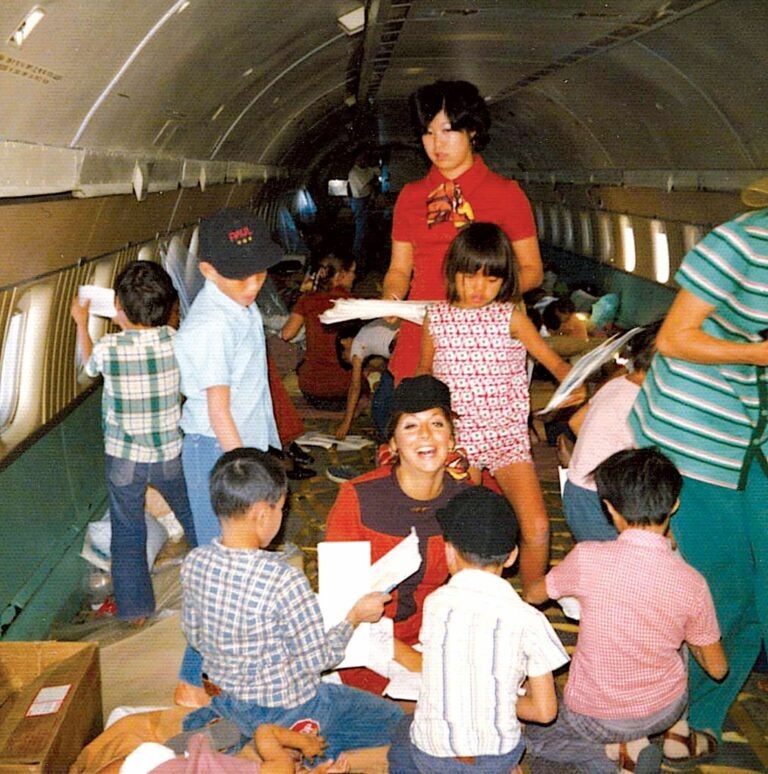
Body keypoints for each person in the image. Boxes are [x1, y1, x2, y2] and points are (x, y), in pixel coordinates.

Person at [630, 208, 768, 753]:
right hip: (695, 434)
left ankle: (694, 712)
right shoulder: (737, 245)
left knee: (756, 591)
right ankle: (673, 719)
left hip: (753, 436)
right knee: (715, 585)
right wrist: (759, 354)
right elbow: (674, 338)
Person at [180, 448, 403, 763]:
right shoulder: (283, 578)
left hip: (230, 697)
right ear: (261, 513)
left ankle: (231, 729)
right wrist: (354, 618)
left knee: (241, 709)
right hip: (288, 705)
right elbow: (320, 659)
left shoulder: (194, 562)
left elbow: (195, 635)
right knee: (392, 719)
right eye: (281, 509)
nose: (282, 517)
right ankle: (299, 745)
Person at [525, 448, 727, 774]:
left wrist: (538, 583)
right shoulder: (693, 582)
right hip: (664, 710)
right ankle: (677, 736)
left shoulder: (587, 557)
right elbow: (717, 669)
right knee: (688, 637)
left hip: (594, 718)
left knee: (535, 738)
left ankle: (616, 753)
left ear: (609, 508)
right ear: (674, 504)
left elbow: (535, 595)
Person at [417, 222, 572, 586]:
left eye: (491, 280)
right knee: (467, 531)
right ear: (452, 272)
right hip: (458, 441)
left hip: (507, 439)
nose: (478, 288)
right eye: (469, 276)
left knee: (537, 527)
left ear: (506, 281)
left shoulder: (512, 318)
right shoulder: (436, 318)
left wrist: (574, 385)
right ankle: (463, 597)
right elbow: (424, 372)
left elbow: (556, 364)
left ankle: (534, 594)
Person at [173, 208, 283, 705]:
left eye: (260, 272)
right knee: (222, 568)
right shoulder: (209, 326)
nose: (252, 284)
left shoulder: (241, 305)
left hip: (241, 445)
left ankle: (230, 663)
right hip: (216, 453)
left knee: (240, 563)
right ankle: (189, 681)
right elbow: (217, 409)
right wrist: (248, 475)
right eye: (240, 276)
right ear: (208, 270)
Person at [388, 487, 568, 774]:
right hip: (498, 756)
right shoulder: (530, 620)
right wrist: (504, 697)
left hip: (432, 755)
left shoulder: (435, 605)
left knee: (402, 737)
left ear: (449, 552)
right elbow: (545, 712)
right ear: (511, 557)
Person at [383, 79, 543, 385]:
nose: (436, 144)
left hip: (483, 335)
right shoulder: (411, 196)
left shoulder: (506, 194)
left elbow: (532, 271)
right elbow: (399, 269)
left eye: (447, 130)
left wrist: (480, 300)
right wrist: (390, 297)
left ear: (472, 130)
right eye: (428, 132)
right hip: (421, 330)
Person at [324, 375, 470, 695]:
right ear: (392, 444)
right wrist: (413, 661)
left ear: (452, 437)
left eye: (436, 423)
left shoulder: (466, 500)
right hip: (362, 644)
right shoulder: (358, 498)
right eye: (410, 426)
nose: (426, 436)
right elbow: (339, 607)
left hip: (433, 639)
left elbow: (473, 591)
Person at [71, 260, 197, 625]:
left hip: (124, 457)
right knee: (191, 514)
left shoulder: (110, 348)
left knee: (128, 532)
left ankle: (136, 611)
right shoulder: (176, 340)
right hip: (169, 452)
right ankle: (217, 576)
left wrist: (83, 322)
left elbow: (89, 365)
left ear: (119, 308)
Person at [563, 323, 660, 542]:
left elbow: (576, 422)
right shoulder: (646, 402)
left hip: (576, 490)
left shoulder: (617, 383)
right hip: (602, 500)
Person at [280, 253, 357, 409]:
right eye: (352, 272)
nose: (354, 277)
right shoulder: (353, 303)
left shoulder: (307, 300)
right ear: (341, 275)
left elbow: (286, 334)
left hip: (310, 389)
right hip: (343, 391)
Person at [334, 318, 398, 440]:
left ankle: (389, 439)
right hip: (408, 339)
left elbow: (355, 387)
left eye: (345, 357)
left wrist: (346, 423)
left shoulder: (357, 345)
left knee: (380, 404)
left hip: (400, 345)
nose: (352, 360)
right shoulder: (368, 331)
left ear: (345, 342)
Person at [347, 151, 381, 267]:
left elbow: (375, 174)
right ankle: (356, 257)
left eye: (364, 159)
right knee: (360, 228)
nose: (363, 162)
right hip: (358, 201)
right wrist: (374, 179)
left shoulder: (365, 170)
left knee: (366, 227)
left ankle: (364, 255)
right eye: (360, 159)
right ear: (356, 161)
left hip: (365, 199)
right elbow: (366, 183)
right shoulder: (354, 173)